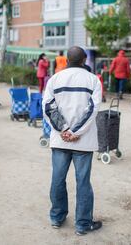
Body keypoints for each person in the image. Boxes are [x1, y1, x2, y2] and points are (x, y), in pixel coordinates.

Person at [43, 46, 103, 236]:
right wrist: (76, 131)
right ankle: (82, 224)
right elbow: (93, 109)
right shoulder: (93, 80)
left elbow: (48, 107)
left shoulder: (55, 79)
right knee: (83, 182)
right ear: (84, 60)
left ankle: (57, 217)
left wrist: (64, 129)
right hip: (83, 142)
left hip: (60, 140)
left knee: (58, 179)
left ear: (66, 59)